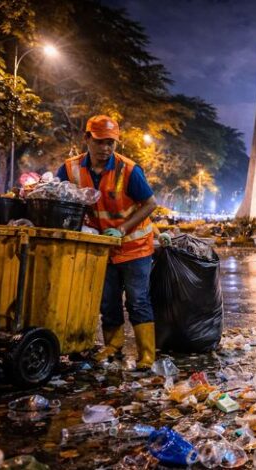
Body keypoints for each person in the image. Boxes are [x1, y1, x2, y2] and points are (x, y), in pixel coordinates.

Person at [57, 115, 158, 369]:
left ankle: (147, 354)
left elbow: (150, 204)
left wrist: (122, 229)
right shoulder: (70, 169)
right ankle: (113, 346)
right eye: (100, 142)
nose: (106, 149)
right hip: (103, 248)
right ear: (87, 139)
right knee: (108, 299)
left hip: (134, 246)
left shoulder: (128, 170)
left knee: (138, 299)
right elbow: (58, 198)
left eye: (111, 143)